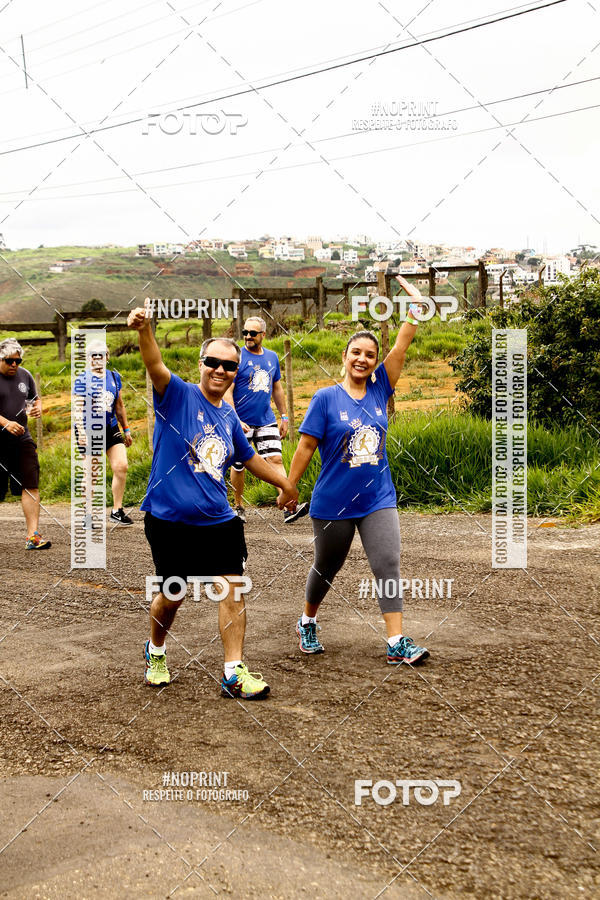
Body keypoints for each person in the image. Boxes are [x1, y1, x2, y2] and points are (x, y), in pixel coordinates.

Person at [127, 302, 298, 698]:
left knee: (233, 586)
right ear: (201, 364)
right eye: (212, 363)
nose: (220, 370)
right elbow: (154, 364)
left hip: (218, 519)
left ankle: (233, 673)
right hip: (169, 518)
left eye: (229, 365)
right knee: (173, 594)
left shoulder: (229, 418)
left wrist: (285, 483)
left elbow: (250, 458)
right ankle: (155, 651)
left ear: (237, 371)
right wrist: (144, 330)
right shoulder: (177, 396)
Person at [286, 276, 430, 666]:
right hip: (333, 500)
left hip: (377, 497)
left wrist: (416, 305)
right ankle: (307, 620)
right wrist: (289, 486)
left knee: (388, 563)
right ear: (345, 357)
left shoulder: (383, 386)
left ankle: (396, 640)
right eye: (356, 353)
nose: (363, 359)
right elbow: (305, 446)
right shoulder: (325, 399)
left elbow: (402, 343)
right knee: (327, 566)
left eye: (370, 354)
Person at [224, 315, 308, 524]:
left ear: (263, 334)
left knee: (275, 460)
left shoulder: (271, 357)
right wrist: (235, 419)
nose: (248, 336)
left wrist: (285, 416)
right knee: (239, 465)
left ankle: (289, 505)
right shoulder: (238, 357)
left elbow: (277, 388)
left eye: (253, 333)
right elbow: (228, 390)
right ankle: (239, 506)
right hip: (241, 422)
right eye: (245, 333)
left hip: (266, 420)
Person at [73, 339, 134, 525]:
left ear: (107, 357)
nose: (98, 359)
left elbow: (119, 406)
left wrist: (127, 430)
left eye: (101, 355)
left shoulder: (114, 378)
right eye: (94, 355)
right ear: (89, 359)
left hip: (110, 427)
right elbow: (77, 408)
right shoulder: (82, 380)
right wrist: (81, 431)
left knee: (121, 466)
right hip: (89, 429)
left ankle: (117, 510)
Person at [0, 338, 51, 549]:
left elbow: (34, 398)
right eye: (9, 361)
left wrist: (36, 408)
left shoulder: (25, 375)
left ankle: (33, 537)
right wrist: (4, 423)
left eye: (18, 361)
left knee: (31, 484)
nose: (14, 365)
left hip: (22, 439)